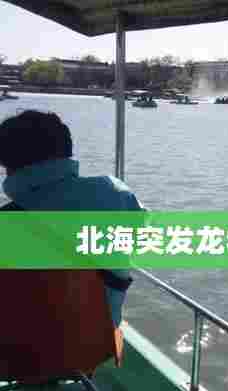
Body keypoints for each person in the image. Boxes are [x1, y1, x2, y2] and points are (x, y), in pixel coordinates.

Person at [0, 109, 144, 328]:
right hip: (98, 339)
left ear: (9, 164)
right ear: (67, 151)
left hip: (25, 346)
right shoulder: (118, 194)